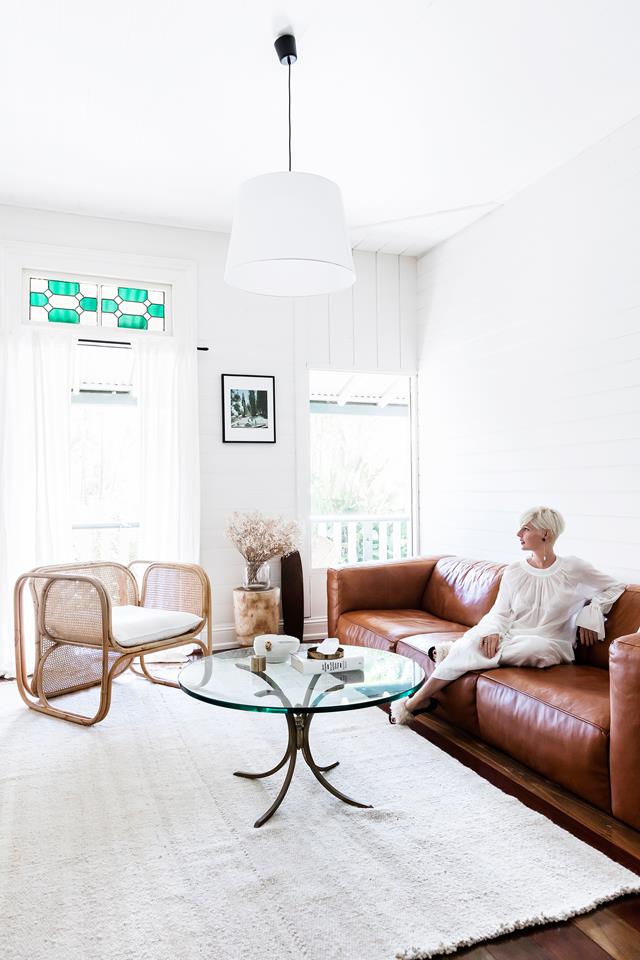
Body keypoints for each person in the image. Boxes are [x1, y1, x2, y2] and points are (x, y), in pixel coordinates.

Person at [390, 506, 625, 725]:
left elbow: (614, 587)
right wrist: (493, 631)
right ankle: (415, 702)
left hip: (551, 643)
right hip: (511, 636)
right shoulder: (514, 571)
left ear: (545, 533)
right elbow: (500, 612)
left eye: (526, 528)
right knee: (480, 642)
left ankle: (458, 650)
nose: (518, 533)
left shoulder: (574, 568)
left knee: (530, 647)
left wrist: (591, 612)